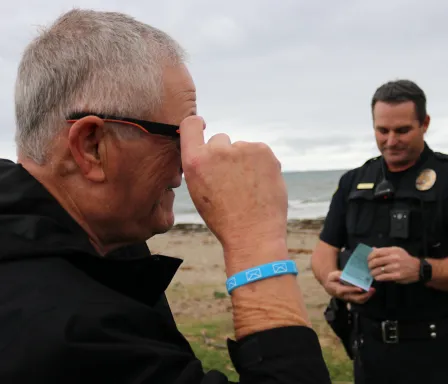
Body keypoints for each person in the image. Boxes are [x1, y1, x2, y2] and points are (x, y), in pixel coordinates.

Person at [0, 9, 331, 384]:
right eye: (179, 137)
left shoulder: (71, 251)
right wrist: (256, 241)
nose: (190, 164)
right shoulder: (64, 333)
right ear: (92, 146)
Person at [311, 79, 448, 383]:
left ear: (425, 123)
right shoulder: (353, 182)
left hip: (436, 351)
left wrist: (421, 269)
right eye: (382, 131)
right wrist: (329, 281)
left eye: (402, 130)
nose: (391, 141)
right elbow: (325, 249)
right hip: (368, 349)